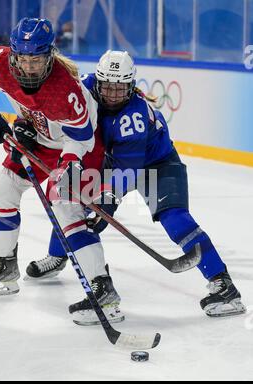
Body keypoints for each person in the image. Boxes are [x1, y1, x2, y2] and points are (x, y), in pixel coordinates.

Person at [28, 50, 246, 319]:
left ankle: (224, 286)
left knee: (176, 219)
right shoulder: (82, 88)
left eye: (120, 89)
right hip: (112, 159)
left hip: (158, 164)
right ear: (98, 81)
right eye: (107, 86)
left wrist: (108, 200)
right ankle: (57, 255)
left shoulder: (134, 117)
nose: (112, 95)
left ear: (131, 86)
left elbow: (126, 171)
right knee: (71, 198)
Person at [0, 17, 124, 324]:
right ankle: (6, 264)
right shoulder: (0, 62)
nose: (29, 67)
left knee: (66, 210)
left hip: (77, 149)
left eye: (36, 60)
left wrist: (67, 165)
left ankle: (103, 289)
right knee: (2, 189)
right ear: (14, 55)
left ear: (49, 56)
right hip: (40, 142)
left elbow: (81, 138)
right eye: (23, 59)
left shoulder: (64, 90)